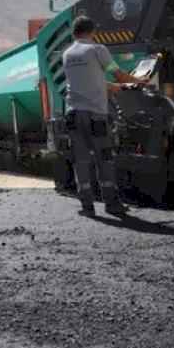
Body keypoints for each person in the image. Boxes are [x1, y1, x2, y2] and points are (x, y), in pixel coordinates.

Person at [60, 16, 145, 216]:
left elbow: (87, 81)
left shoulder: (67, 54)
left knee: (80, 160)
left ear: (74, 33)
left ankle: (87, 206)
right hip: (95, 115)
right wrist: (140, 80)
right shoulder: (97, 50)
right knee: (104, 159)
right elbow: (119, 75)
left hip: (73, 113)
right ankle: (111, 204)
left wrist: (112, 87)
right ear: (93, 32)